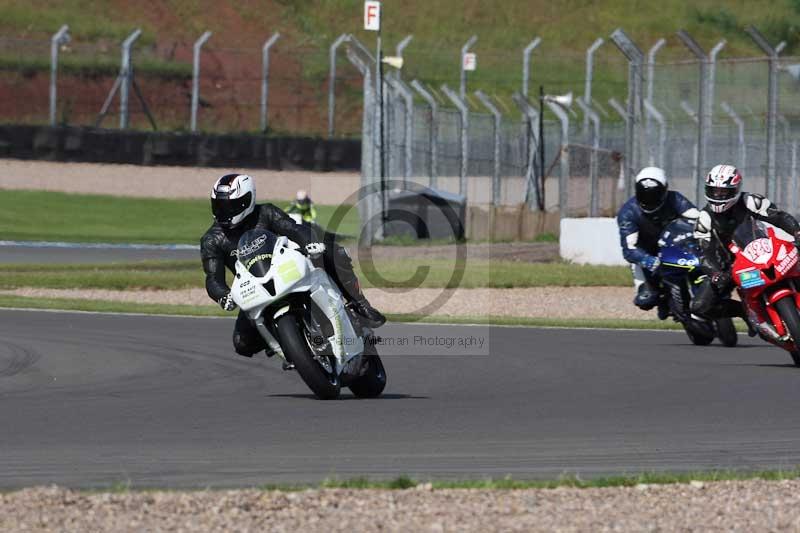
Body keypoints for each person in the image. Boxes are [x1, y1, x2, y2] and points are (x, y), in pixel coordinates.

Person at [201, 173, 385, 359]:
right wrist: (222, 295)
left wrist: (309, 242)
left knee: (332, 251)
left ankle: (360, 304)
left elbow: (293, 228)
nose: (224, 211)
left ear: (247, 200)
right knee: (242, 343)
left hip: (287, 267)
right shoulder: (212, 240)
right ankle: (286, 341)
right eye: (219, 205)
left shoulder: (266, 212)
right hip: (256, 287)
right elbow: (213, 278)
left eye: (229, 206)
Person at [691, 164, 800, 340]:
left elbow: (779, 217)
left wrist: (797, 232)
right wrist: (715, 273)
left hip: (762, 251)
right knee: (700, 306)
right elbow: (704, 252)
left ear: (735, 190)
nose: (718, 196)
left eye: (723, 192)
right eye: (714, 191)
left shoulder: (751, 201)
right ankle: (744, 311)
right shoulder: (704, 218)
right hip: (729, 267)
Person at [617, 167, 699, 318]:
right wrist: (649, 261)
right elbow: (629, 248)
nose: (649, 200)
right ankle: (663, 301)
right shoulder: (628, 212)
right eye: (644, 195)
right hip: (646, 254)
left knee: (701, 268)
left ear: (665, 191)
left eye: (654, 195)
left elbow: (697, 219)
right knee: (645, 300)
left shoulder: (675, 199)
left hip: (675, 247)